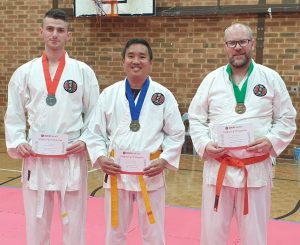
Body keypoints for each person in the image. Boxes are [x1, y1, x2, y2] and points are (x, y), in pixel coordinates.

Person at [188, 23, 296, 245]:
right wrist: (204, 144)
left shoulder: (270, 78)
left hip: (255, 170)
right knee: (212, 236)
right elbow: (196, 118)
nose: (238, 48)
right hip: (218, 168)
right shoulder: (211, 80)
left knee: (255, 237)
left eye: (243, 42)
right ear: (225, 46)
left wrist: (271, 141)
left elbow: (286, 118)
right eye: (232, 43)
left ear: (252, 44)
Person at [4, 9, 99, 245]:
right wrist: (18, 141)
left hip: (70, 154)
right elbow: (14, 113)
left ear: (69, 35)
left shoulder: (83, 72)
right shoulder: (24, 72)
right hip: (37, 156)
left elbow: (96, 113)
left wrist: (86, 140)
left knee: (74, 223)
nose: (54, 34)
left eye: (60, 30)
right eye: (50, 29)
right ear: (41, 32)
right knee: (36, 223)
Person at [85, 38, 185, 245]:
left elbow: (176, 133)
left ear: (151, 62)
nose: (136, 61)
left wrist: (164, 159)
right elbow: (94, 133)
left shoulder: (162, 95)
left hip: (150, 173)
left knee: (154, 233)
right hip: (116, 174)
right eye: (131, 56)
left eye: (142, 56)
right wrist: (100, 157)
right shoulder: (109, 94)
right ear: (123, 61)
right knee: (114, 233)